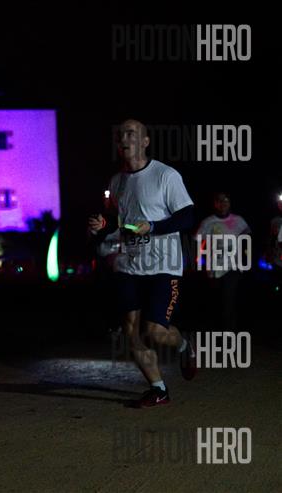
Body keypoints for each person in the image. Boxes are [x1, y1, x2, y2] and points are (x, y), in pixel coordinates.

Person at [88, 119, 197, 408]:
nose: (124, 139)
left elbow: (187, 216)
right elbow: (116, 221)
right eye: (120, 135)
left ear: (146, 141)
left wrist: (154, 227)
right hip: (129, 265)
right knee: (130, 330)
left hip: (164, 265)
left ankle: (185, 346)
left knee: (155, 331)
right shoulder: (117, 181)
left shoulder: (165, 175)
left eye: (131, 134)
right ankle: (158, 389)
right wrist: (101, 225)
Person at [195, 192, 251, 331]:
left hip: (233, 267)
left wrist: (245, 259)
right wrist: (201, 261)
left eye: (226, 200)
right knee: (217, 301)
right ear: (215, 204)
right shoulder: (208, 222)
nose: (223, 203)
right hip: (214, 268)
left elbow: (247, 240)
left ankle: (228, 333)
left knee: (228, 300)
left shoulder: (238, 220)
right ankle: (217, 330)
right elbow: (198, 243)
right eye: (220, 201)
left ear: (229, 203)